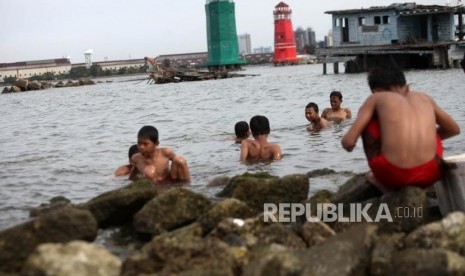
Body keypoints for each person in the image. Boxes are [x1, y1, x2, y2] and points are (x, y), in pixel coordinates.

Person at [341, 66, 460, 193]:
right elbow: (453, 129)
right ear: (406, 86)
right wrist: (422, 139)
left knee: (370, 121)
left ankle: (380, 181)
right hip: (432, 172)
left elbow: (348, 141)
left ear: (375, 91)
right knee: (424, 128)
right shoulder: (424, 98)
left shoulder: (376, 98)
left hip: (393, 175)